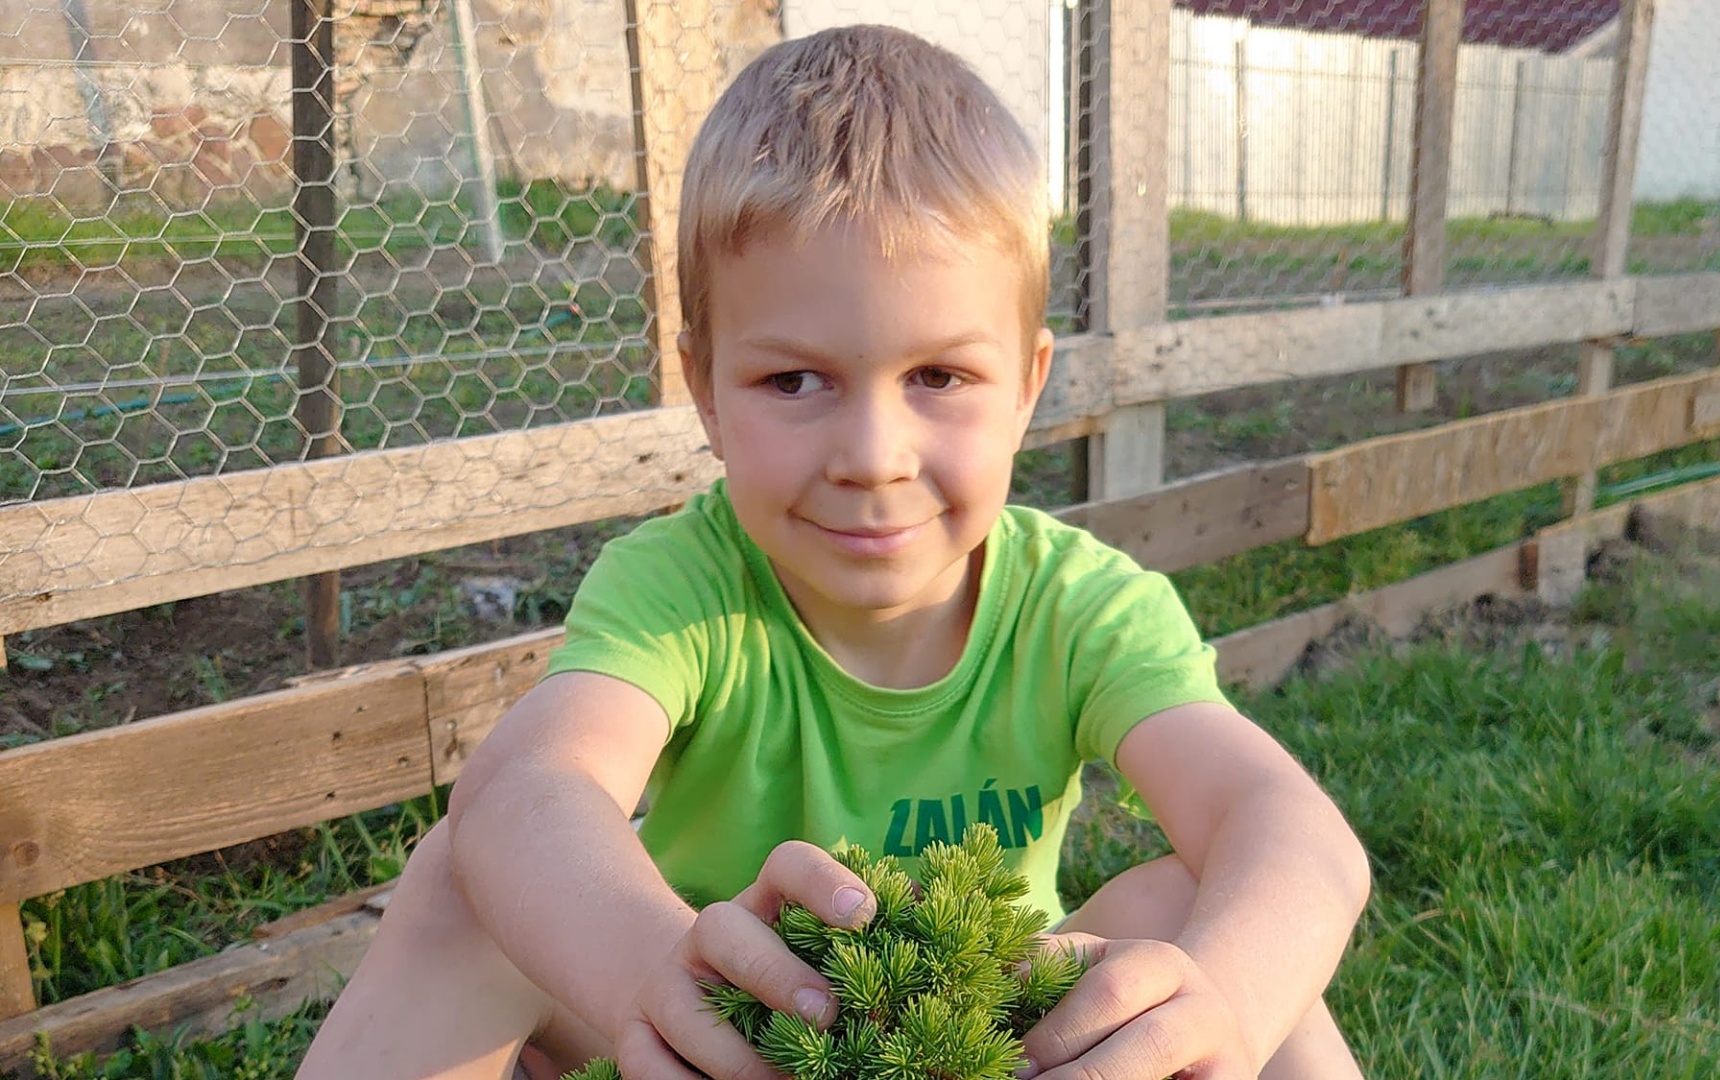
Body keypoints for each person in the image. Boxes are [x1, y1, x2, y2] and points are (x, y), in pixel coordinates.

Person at [296, 23, 1370, 1080]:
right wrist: (646, 973)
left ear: (1029, 387)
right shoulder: (683, 586)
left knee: (1202, 915)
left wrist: (1228, 995)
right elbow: (529, 785)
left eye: (939, 377)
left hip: (977, 1042)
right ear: (705, 390)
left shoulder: (1083, 605)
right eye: (793, 381)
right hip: (717, 1039)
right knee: (462, 877)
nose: (871, 457)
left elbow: (1290, 827)